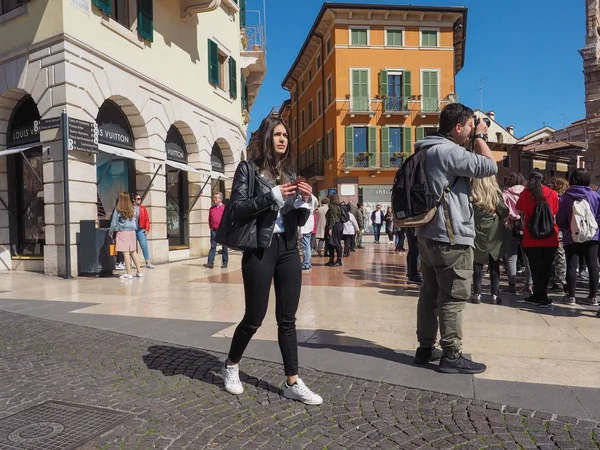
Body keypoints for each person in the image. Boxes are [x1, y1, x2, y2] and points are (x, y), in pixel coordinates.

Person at [221, 115, 322, 405]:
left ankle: (292, 381)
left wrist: (306, 203)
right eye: (277, 134)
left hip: (288, 248)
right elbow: (238, 209)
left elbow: (297, 219)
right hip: (259, 249)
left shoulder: (290, 174)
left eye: (286, 136)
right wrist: (273, 196)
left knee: (287, 319)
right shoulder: (248, 170)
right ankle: (230, 364)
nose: (282, 139)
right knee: (254, 317)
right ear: (267, 137)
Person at [414, 103, 497, 374]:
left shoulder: (425, 149)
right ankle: (451, 354)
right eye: (471, 125)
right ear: (458, 127)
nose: (473, 129)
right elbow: (489, 166)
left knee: (428, 293)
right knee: (453, 296)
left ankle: (425, 348)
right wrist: (482, 137)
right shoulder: (449, 152)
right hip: (451, 237)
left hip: (427, 234)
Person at [556, 169, 600, 306]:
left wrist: (566, 229)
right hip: (592, 235)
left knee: (571, 265)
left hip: (571, 235)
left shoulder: (565, 197)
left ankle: (571, 296)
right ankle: (592, 297)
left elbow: (560, 219)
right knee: (593, 265)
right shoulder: (594, 196)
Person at [516, 171, 560, 308]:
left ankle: (538, 296)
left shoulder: (526, 194)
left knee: (535, 268)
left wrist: (525, 189)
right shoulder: (552, 194)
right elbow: (555, 211)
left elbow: (518, 207)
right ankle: (542, 295)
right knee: (546, 268)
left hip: (531, 237)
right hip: (550, 237)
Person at [471, 176, 508, 305]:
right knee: (494, 262)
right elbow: (504, 211)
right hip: (494, 230)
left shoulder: (472, 192)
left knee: (477, 263)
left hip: (476, 229)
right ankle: (494, 294)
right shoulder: (495, 192)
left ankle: (477, 293)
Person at [502, 173, 532, 294]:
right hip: (525, 227)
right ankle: (529, 284)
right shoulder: (527, 193)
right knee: (527, 258)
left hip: (510, 226)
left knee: (511, 257)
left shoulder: (505, 194)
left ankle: (512, 285)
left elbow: (503, 210)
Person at [109, 191, 144, 279]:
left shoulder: (118, 209)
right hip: (132, 232)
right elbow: (136, 220)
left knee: (125, 253)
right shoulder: (133, 208)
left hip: (122, 232)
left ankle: (128, 273)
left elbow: (114, 222)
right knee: (133, 252)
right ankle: (139, 271)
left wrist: (111, 231)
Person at [549, 178, 569, 291]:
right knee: (559, 256)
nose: (549, 185)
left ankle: (560, 281)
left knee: (559, 257)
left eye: (552, 184)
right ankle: (557, 278)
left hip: (557, 230)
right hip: (560, 230)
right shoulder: (563, 197)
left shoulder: (558, 198)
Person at [205, 192, 229, 269]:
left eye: (216, 197)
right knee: (213, 246)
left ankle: (225, 262)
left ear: (221, 199)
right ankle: (210, 262)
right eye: (214, 197)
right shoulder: (211, 209)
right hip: (214, 230)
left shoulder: (225, 208)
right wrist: (211, 227)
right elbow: (210, 219)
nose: (214, 199)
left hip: (223, 230)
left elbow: (228, 219)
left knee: (224, 247)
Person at [133, 194, 154, 269]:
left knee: (144, 245)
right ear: (134, 200)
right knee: (132, 247)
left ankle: (148, 261)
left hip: (141, 228)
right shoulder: (131, 208)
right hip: (133, 229)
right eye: (138, 199)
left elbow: (146, 219)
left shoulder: (143, 208)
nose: (139, 200)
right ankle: (133, 263)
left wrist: (147, 228)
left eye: (140, 199)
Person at [299, 194, 319, 271]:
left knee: (306, 247)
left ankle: (306, 263)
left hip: (304, 229)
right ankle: (307, 262)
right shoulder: (311, 205)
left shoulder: (303, 204)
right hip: (308, 228)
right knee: (307, 246)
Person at [326, 194, 344, 266]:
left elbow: (332, 218)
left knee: (336, 243)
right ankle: (332, 260)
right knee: (331, 243)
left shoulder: (332, 207)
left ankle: (338, 260)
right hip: (337, 225)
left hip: (334, 226)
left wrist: (330, 228)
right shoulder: (337, 206)